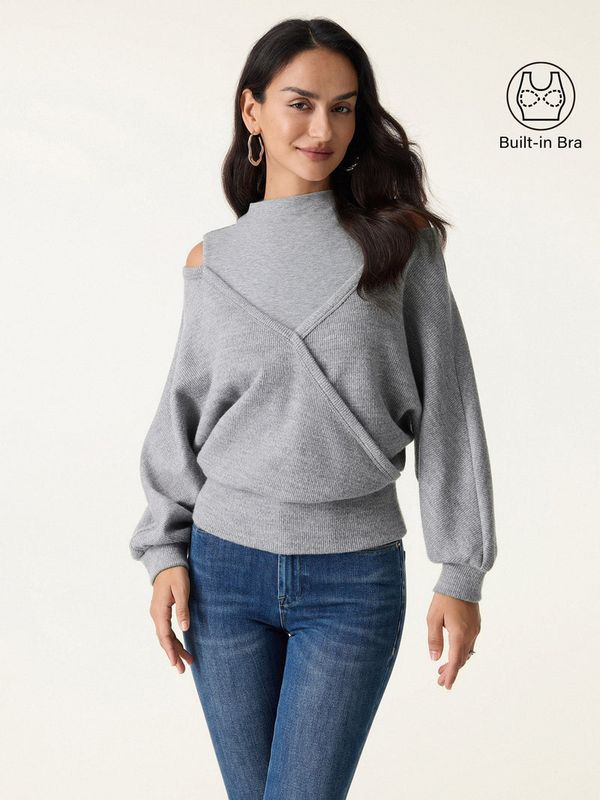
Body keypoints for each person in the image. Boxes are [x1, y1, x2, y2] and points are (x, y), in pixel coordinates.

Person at [129, 17, 497, 800]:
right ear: (253, 111)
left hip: (353, 582)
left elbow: (450, 412)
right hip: (222, 575)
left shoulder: (402, 247)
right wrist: (164, 553)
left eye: (343, 107)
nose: (322, 129)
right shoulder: (212, 261)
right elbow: (181, 416)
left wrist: (461, 571)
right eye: (300, 104)